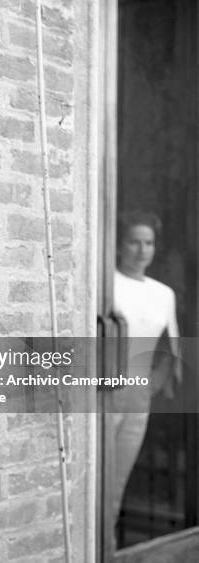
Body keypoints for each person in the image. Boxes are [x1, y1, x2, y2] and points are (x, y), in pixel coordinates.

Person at [111, 210, 180, 532]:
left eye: (148, 243)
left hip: (139, 396)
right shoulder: (107, 283)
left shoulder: (163, 293)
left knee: (118, 481)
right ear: (120, 245)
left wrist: (153, 385)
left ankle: (107, 545)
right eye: (134, 242)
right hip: (103, 392)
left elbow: (172, 348)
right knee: (98, 479)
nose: (141, 250)